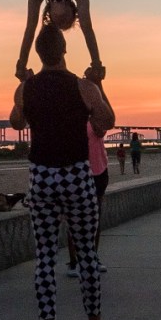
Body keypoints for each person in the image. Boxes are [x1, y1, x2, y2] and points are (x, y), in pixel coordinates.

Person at [10, 23, 117, 320]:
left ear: (39, 54)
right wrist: (99, 83)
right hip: (76, 175)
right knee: (86, 254)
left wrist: (22, 86)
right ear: (64, 52)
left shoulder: (27, 88)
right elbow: (108, 120)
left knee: (44, 258)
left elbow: (16, 123)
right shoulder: (83, 87)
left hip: (41, 177)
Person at [67, 119, 111, 278]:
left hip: (99, 170)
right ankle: (74, 262)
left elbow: (101, 130)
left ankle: (93, 258)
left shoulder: (95, 116)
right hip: (76, 172)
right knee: (74, 218)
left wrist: (93, 110)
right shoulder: (69, 115)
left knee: (96, 217)